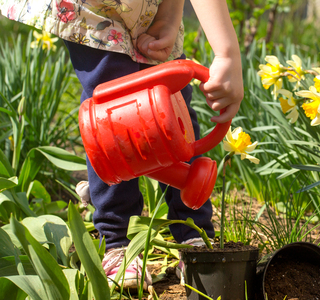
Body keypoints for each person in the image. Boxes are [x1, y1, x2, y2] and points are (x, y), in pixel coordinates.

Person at [0, 0, 243, 293]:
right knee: (114, 114)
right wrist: (226, 52)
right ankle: (116, 240)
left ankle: (192, 232)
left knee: (172, 107)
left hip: (151, 7)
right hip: (96, 7)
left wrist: (169, 14)